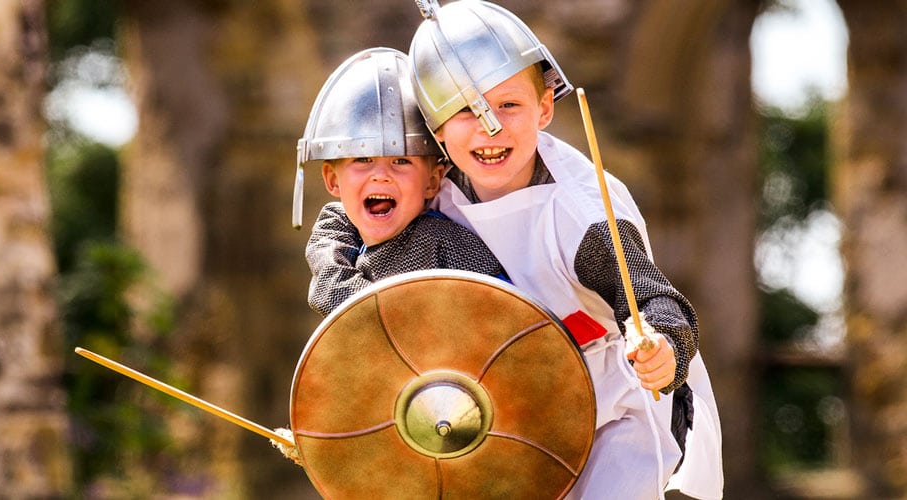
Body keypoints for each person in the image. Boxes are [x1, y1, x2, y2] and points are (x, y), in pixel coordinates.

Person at [407, 2, 723, 499]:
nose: (490, 128)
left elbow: (653, 299)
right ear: (437, 130)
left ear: (546, 109)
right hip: (516, 416)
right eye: (465, 110)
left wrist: (663, 347)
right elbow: (354, 226)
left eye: (508, 105)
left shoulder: (581, 213)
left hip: (616, 412)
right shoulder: (429, 196)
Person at [292, 47, 508, 317]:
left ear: (432, 181)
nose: (381, 175)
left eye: (401, 161)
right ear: (333, 180)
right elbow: (328, 284)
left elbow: (508, 318)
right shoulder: (335, 233)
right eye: (363, 159)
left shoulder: (448, 245)